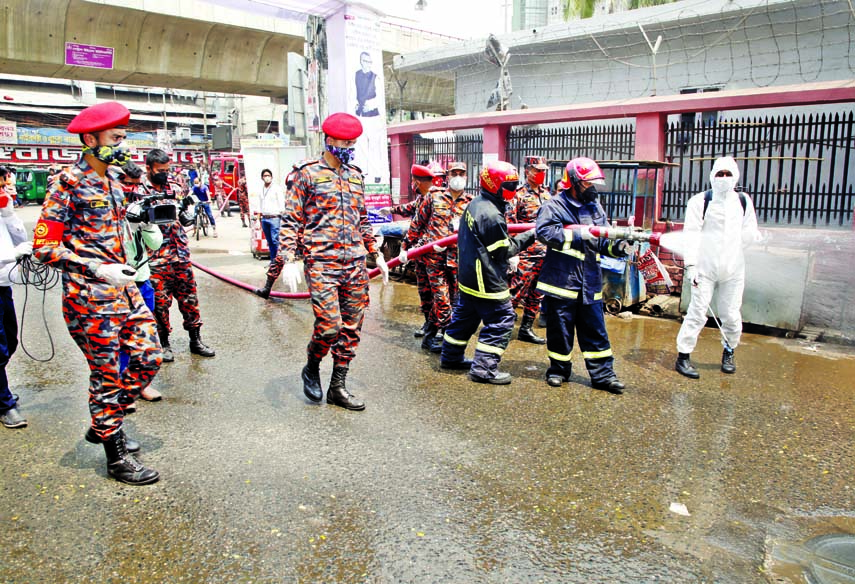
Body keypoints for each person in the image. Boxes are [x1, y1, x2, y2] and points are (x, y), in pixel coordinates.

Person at [32, 101, 161, 484]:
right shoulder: (67, 183)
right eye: (116, 138)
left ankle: (105, 421)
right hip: (89, 296)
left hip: (125, 289)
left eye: (124, 138)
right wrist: (95, 267)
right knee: (106, 373)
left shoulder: (116, 180)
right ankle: (116, 457)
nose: (123, 146)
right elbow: (44, 248)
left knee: (149, 356)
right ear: (90, 139)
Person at [278, 112, 389, 411]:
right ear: (328, 140)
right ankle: (312, 364)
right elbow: (291, 220)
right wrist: (289, 257)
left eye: (352, 142)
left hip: (354, 263)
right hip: (322, 263)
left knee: (351, 328)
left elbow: (362, 218)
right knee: (329, 327)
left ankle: (337, 386)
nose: (348, 146)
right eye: (343, 141)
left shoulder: (355, 175)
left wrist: (374, 251)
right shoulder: (306, 174)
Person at [535, 157, 635, 395]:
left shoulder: (595, 207)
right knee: (560, 331)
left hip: (590, 282)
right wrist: (580, 236)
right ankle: (558, 371)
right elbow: (544, 232)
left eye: (595, 183)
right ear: (574, 183)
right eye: (588, 184)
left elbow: (602, 242)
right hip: (562, 282)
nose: (593, 188)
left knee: (596, 332)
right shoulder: (555, 206)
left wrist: (620, 247)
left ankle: (604, 376)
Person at [439, 160, 535, 385]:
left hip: (469, 275)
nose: (512, 190)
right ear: (494, 185)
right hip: (485, 278)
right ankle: (484, 369)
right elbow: (504, 251)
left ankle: (450, 357)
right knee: (502, 319)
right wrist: (531, 235)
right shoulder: (490, 213)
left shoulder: (477, 203)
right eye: (509, 186)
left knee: (465, 317)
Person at [675, 155, 762, 379]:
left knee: (731, 314)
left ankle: (729, 351)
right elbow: (691, 235)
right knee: (697, 312)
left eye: (728, 174)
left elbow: (750, 230)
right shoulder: (700, 201)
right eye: (719, 174)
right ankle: (683, 356)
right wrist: (691, 266)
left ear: (736, 177)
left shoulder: (743, 201)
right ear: (712, 176)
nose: (724, 178)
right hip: (705, 267)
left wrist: (753, 237)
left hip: (734, 269)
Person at [143, 149, 216, 362]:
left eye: (167, 170)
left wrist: (187, 211)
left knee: (189, 300)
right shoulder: (140, 191)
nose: (165, 174)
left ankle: (196, 340)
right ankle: (164, 344)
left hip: (180, 256)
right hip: (156, 258)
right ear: (149, 168)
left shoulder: (175, 187)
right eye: (160, 171)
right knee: (160, 304)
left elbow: (185, 220)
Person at [403, 161, 473, 353]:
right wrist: (405, 248)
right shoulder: (434, 197)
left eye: (461, 173)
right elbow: (417, 224)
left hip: (457, 259)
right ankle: (438, 337)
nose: (458, 176)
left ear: (466, 176)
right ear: (447, 176)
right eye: (454, 173)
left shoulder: (471, 202)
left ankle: (434, 334)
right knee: (441, 300)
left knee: (454, 300)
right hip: (434, 259)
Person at [117, 162, 164, 402]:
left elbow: (156, 244)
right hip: (115, 282)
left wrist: (144, 225)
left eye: (134, 186)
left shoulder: (139, 207)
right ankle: (119, 387)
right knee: (118, 337)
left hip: (142, 279)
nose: (130, 190)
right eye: (126, 184)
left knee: (144, 335)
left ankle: (140, 385)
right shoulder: (104, 207)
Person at [381, 164, 437, 339]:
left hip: (438, 257)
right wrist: (390, 210)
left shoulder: (437, 198)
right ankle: (429, 324)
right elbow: (410, 209)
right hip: (421, 255)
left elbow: (418, 227)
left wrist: (405, 246)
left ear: (417, 181)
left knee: (441, 294)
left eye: (413, 180)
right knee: (425, 293)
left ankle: (440, 328)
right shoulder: (422, 198)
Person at [506, 155, 551, 345]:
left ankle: (526, 328)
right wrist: (513, 254)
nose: (541, 174)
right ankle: (502, 326)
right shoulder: (518, 195)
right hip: (525, 254)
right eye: (538, 170)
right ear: (528, 171)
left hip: (545, 253)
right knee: (515, 293)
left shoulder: (547, 195)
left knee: (536, 295)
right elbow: (510, 224)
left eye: (543, 171)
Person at [0, 167, 31, 429]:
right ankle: (5, 404)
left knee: (10, 340)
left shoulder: (4, 208)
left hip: (4, 283)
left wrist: (8, 211)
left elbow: (20, 237)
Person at [255, 169, 286, 267]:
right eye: (265, 175)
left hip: (275, 218)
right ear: (262, 178)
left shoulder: (276, 188)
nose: (267, 177)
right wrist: (258, 218)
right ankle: (273, 261)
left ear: (271, 177)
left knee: (275, 240)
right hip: (264, 218)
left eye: (268, 175)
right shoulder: (261, 189)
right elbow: (259, 204)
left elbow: (281, 202)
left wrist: (283, 215)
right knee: (269, 241)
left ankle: (279, 261)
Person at [355, 52, 379, 117]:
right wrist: (355, 104)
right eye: (366, 61)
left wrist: (370, 106)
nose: (369, 64)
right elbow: (352, 92)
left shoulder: (375, 77)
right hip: (358, 114)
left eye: (370, 62)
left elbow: (380, 97)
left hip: (371, 114)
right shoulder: (356, 75)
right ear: (361, 61)